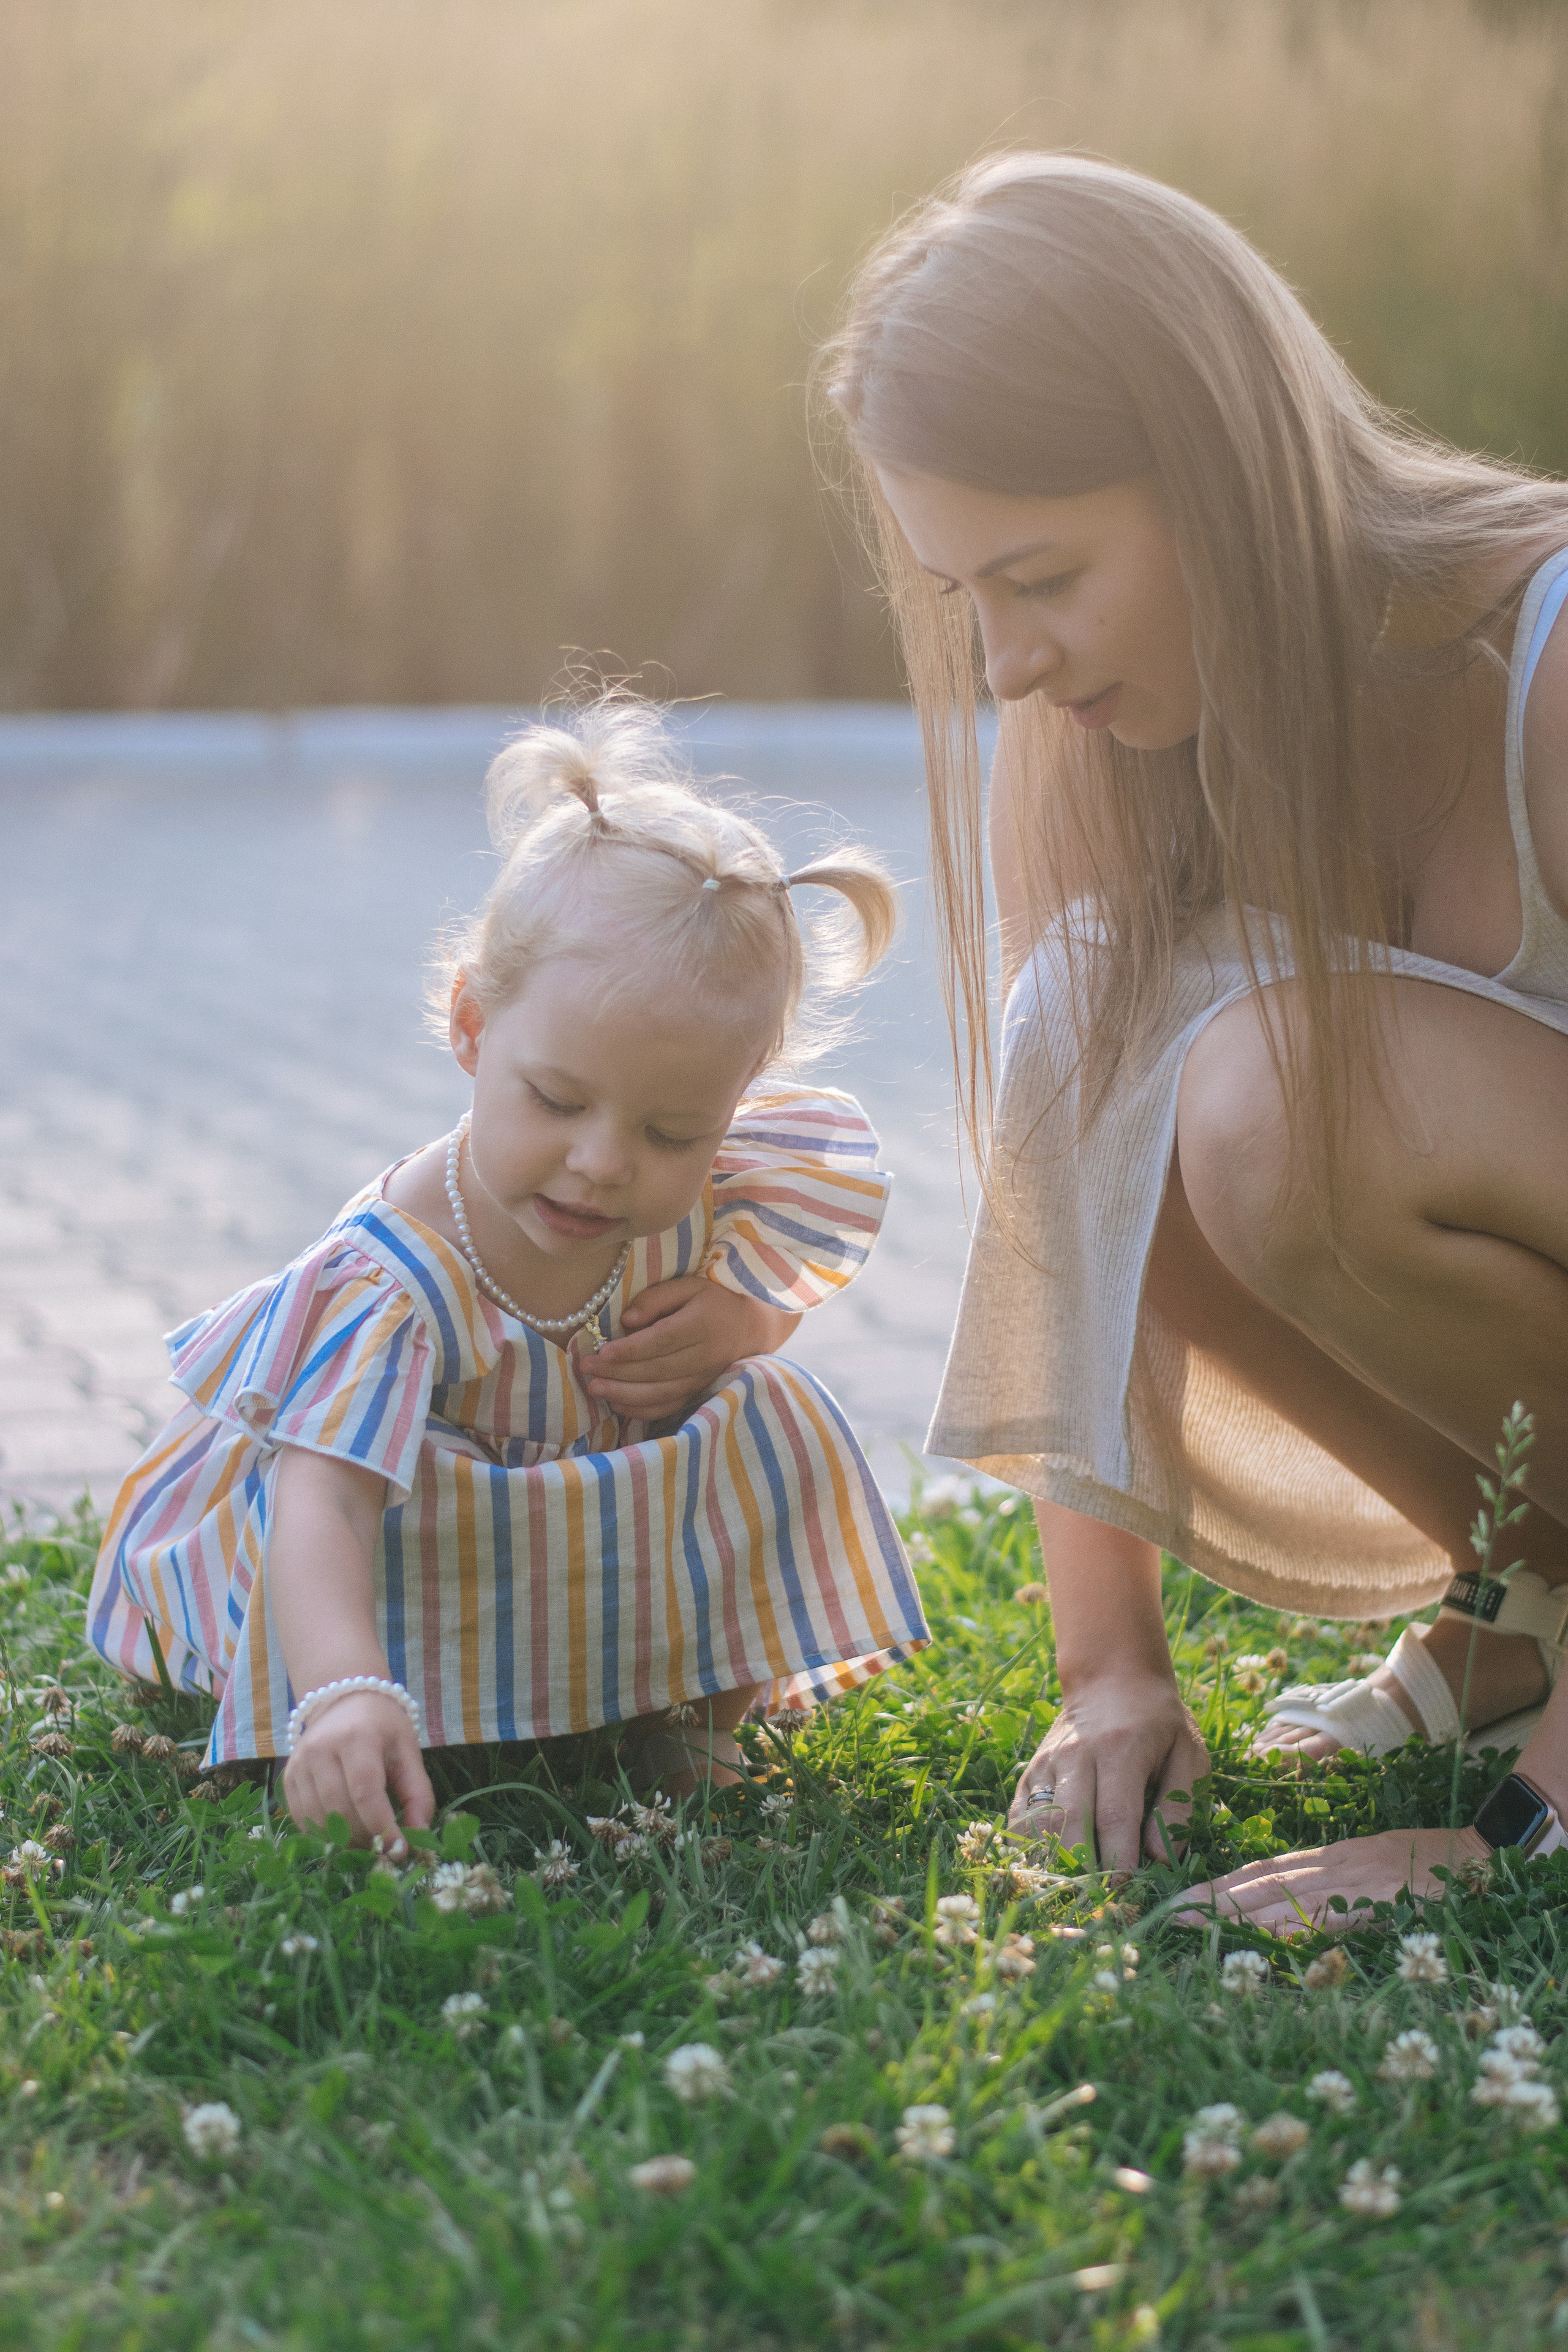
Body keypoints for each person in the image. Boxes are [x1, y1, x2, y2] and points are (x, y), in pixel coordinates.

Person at [821, 152, 1568, 1926]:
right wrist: (1114, 1678)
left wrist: (1527, 1836)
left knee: (1274, 1102)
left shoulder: (1544, 663)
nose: (1004, 664)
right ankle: (1526, 1607)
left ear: (1222, 476)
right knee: (1093, 1031)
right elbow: (1068, 1188)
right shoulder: (1093, 739)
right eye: (961, 600)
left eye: (1045, 574)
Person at [86, 698, 929, 1852]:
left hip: (569, 1523)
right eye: (559, 1100)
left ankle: (693, 1718)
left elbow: (765, 1317)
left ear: (736, 1100)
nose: (603, 1164)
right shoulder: (392, 1278)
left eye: (673, 1133)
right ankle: (391, 1709)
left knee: (772, 1414)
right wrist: (336, 1685)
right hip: (370, 1530)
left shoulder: (717, 1188)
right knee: (391, 1501)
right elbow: (320, 1500)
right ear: (474, 1028)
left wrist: (741, 1327)